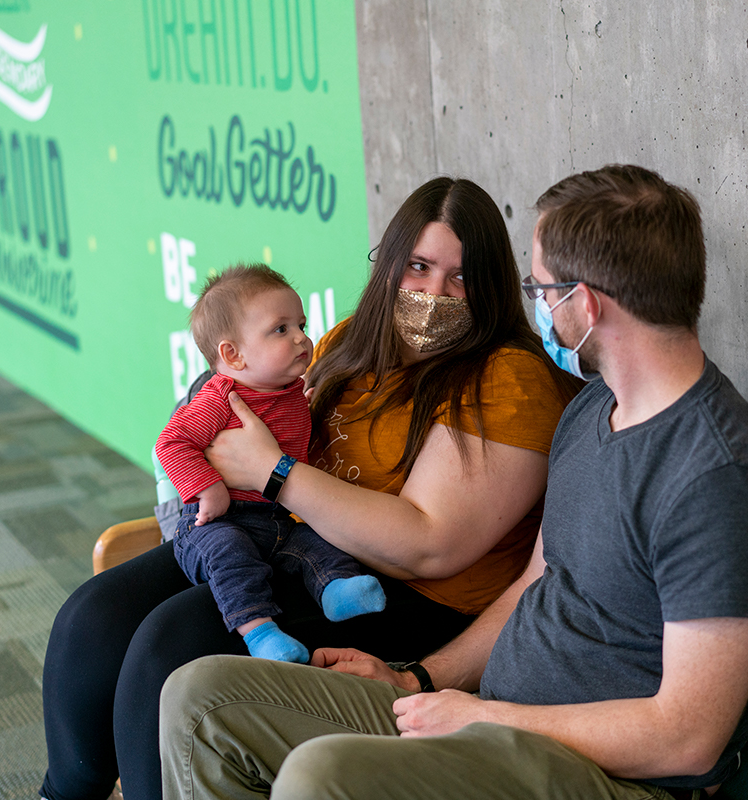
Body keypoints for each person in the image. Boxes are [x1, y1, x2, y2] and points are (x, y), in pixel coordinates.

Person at [158, 164, 748, 800]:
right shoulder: (591, 411)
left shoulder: (710, 477)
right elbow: (534, 585)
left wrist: (486, 716)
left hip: (599, 770)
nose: (536, 306)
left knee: (318, 777)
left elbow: (689, 737)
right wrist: (418, 680)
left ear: (586, 303)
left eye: (540, 288)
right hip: (490, 718)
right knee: (201, 703)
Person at [39, 176, 577, 800]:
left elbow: (432, 544)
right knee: (93, 618)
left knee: (170, 647)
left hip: (414, 596)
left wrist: (273, 472)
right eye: (419, 267)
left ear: (492, 284)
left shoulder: (509, 376)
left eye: (460, 276)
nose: (434, 292)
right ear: (389, 264)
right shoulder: (351, 340)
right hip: (291, 541)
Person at [155, 264, 386, 664]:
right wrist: (207, 487)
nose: (302, 337)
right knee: (231, 559)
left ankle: (338, 590)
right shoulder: (220, 398)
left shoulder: (292, 394)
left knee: (318, 545)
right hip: (217, 522)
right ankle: (260, 632)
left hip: (274, 518)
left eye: (301, 324)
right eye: (281, 330)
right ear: (233, 354)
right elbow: (171, 443)